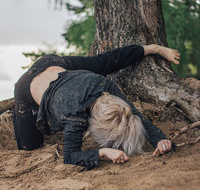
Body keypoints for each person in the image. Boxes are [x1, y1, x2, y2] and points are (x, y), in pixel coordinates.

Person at [13, 44, 180, 170]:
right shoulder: (74, 116)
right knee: (29, 146)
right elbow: (69, 157)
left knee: (104, 63)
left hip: (55, 64)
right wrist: (103, 152)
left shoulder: (103, 84)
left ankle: (154, 48)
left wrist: (160, 139)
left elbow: (133, 112)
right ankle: (15, 114)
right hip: (26, 88)